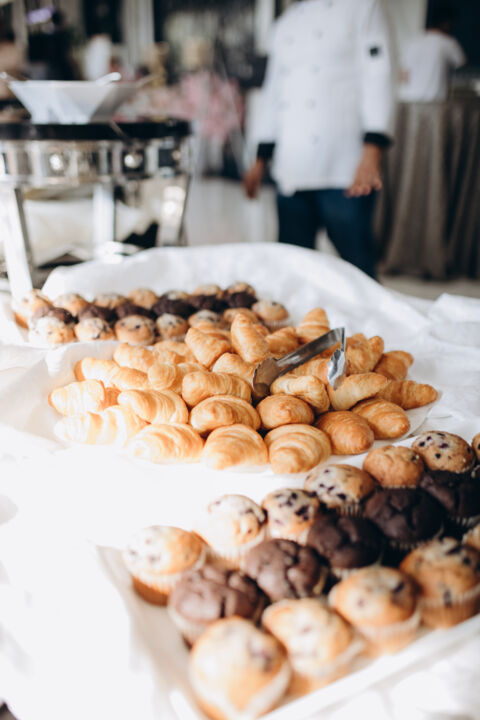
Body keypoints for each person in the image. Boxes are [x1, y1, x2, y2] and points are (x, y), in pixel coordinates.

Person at [243, 0, 395, 279]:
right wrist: (259, 159)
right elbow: (273, 92)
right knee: (293, 268)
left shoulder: (363, 7)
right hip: (291, 165)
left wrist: (373, 150)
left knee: (358, 268)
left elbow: (379, 76)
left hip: (345, 165)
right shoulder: (285, 24)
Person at [399, 5, 466, 102]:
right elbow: (462, 65)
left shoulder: (412, 41)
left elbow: (403, 74)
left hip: (408, 99)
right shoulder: (448, 43)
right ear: (447, 23)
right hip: (434, 101)